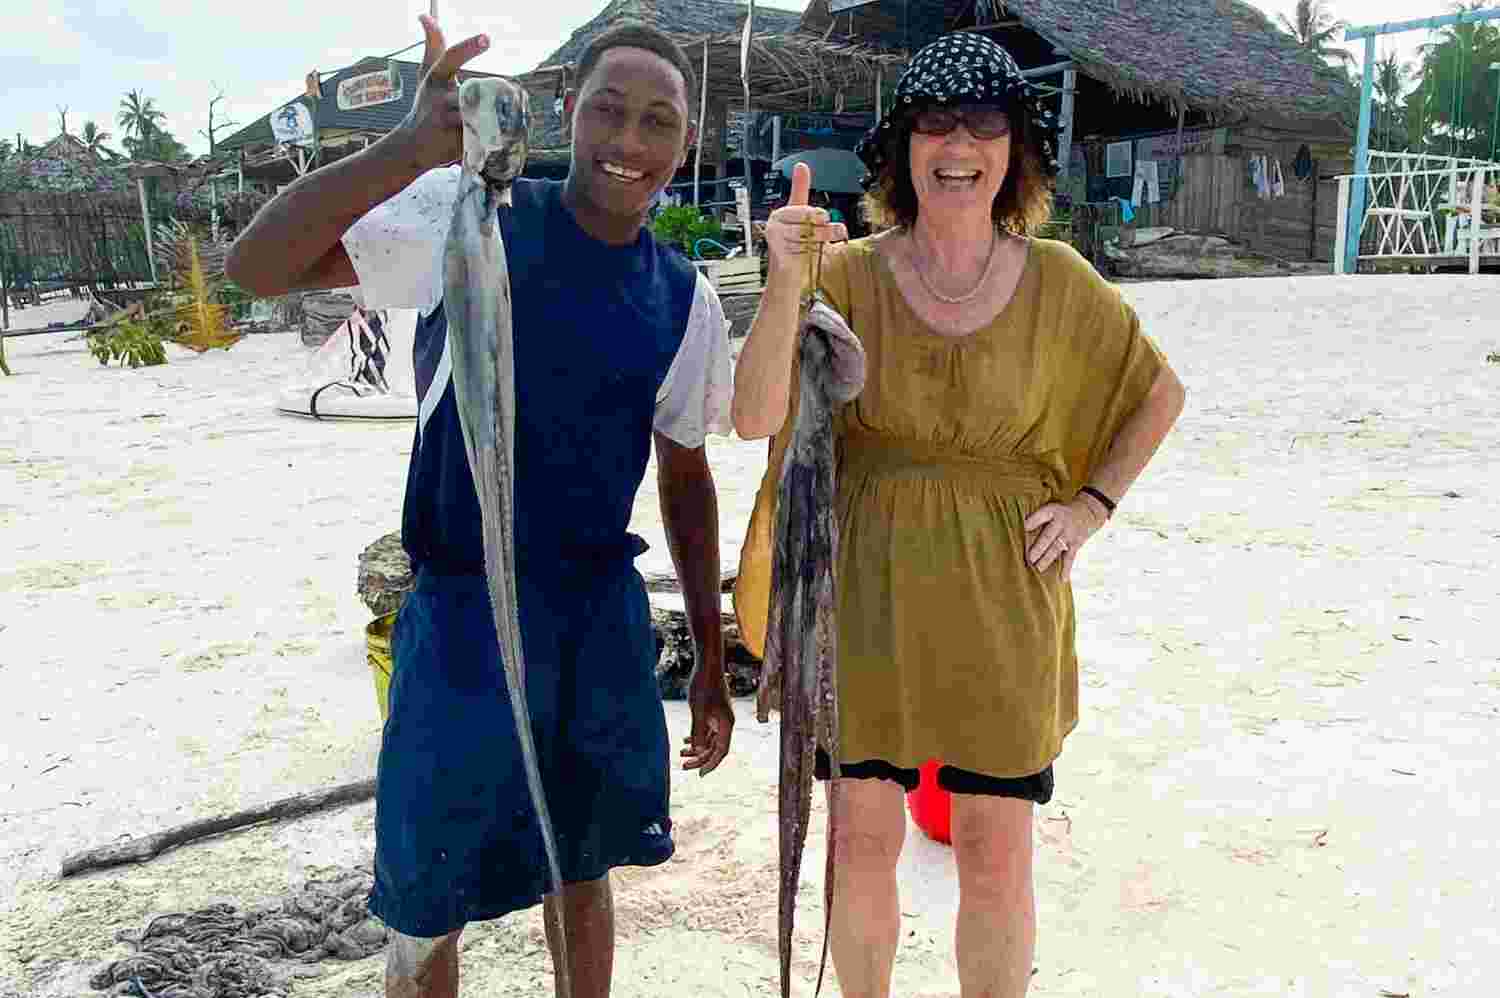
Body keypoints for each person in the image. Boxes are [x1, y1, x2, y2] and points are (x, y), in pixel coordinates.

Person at [226, 16, 738, 998]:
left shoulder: (684, 298)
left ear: (686, 139)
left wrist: (712, 659)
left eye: (659, 120)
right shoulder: (465, 216)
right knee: (427, 895)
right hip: (460, 610)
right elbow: (258, 267)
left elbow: (686, 476)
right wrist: (406, 149)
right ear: (567, 112)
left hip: (596, 615)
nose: (629, 140)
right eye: (608, 110)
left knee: (583, 868)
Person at [731, 32, 1186, 998]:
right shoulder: (845, 272)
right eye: (935, 123)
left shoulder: (1061, 280)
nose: (958, 146)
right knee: (861, 841)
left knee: (994, 849)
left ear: (1017, 150)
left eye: (984, 124)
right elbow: (755, 415)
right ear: (901, 147)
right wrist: (784, 282)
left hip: (1004, 594)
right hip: (864, 589)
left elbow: (1159, 393)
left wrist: (1093, 505)